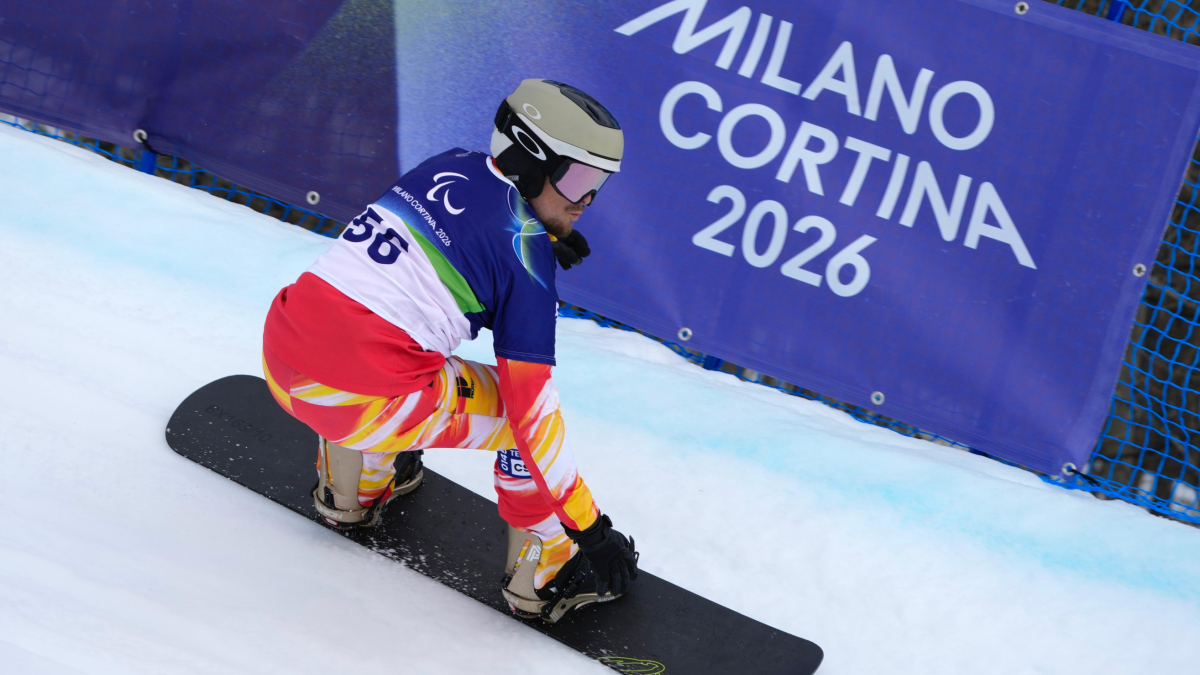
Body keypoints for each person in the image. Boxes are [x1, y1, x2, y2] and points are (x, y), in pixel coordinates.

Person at [261, 79, 639, 623]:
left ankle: (352, 491)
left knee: (403, 347)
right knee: (520, 422)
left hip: (284, 355)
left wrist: (539, 239)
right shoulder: (527, 260)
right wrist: (591, 529)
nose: (586, 202)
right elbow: (533, 419)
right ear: (531, 162)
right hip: (361, 402)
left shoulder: (448, 164)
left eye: (597, 185)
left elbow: (461, 238)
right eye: (577, 179)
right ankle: (544, 573)